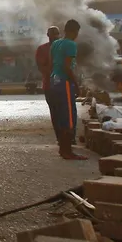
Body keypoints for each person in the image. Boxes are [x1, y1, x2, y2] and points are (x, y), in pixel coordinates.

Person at [49, 20, 86, 161]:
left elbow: (52, 63)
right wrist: (76, 85)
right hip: (64, 82)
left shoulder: (55, 43)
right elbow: (67, 67)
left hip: (54, 81)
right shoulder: (71, 44)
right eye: (77, 32)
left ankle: (62, 149)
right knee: (69, 118)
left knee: (61, 116)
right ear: (74, 31)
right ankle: (67, 152)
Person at [36, 26, 62, 145]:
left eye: (57, 33)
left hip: (64, 85)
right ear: (48, 35)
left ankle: (69, 137)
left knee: (66, 112)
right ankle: (60, 137)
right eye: (53, 33)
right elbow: (41, 67)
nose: (55, 36)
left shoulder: (64, 47)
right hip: (50, 86)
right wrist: (55, 74)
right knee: (55, 112)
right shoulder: (42, 49)